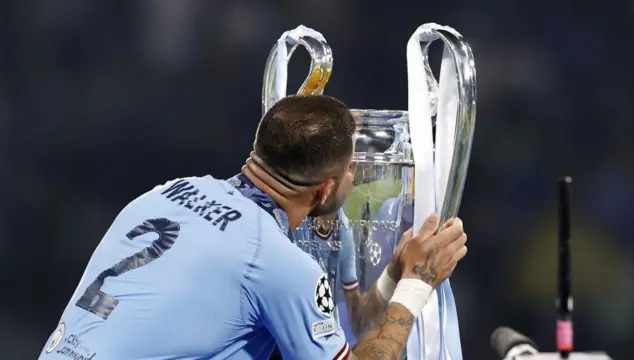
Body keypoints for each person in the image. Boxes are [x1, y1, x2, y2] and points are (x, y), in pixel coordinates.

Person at [38, 95, 468, 360]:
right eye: (352, 168)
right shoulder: (278, 262)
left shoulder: (165, 192)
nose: (356, 176)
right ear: (324, 191)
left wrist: (393, 274)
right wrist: (417, 282)